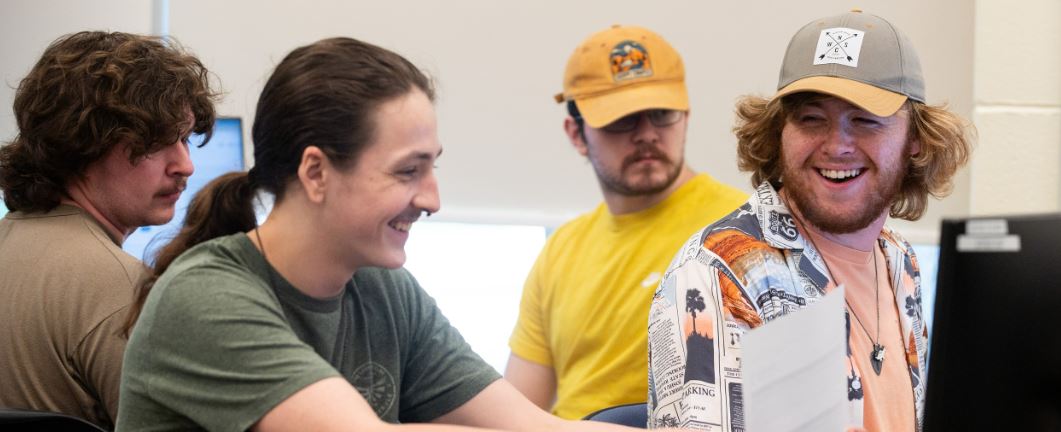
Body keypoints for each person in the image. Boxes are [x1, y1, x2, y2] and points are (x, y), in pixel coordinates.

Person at [116, 36, 690, 432]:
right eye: (408, 171)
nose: (432, 199)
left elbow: (534, 426)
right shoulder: (206, 299)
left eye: (433, 167)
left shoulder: (383, 291)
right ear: (316, 172)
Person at [647, 10, 973, 432]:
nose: (837, 145)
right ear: (779, 131)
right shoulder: (718, 276)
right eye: (811, 119)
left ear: (915, 139)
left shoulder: (899, 261)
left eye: (865, 120)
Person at [506, 25, 747, 419]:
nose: (647, 134)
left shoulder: (740, 232)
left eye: (661, 114)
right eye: (622, 119)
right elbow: (515, 411)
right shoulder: (561, 250)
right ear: (577, 133)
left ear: (685, 115)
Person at [0, 31, 216, 429]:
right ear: (82, 141)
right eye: (156, 141)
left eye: (184, 138)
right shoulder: (120, 288)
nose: (185, 165)